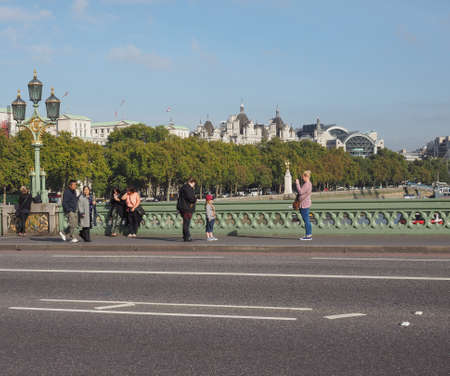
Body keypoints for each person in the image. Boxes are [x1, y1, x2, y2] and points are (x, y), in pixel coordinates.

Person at [177, 177, 197, 242]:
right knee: (186, 223)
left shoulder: (183, 187)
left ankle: (185, 236)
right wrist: (195, 199)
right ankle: (187, 237)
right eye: (194, 184)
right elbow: (190, 198)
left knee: (185, 222)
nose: (194, 185)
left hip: (182, 207)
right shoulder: (188, 188)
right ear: (192, 182)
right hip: (187, 208)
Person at [295, 170, 313, 241]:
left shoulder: (307, 184)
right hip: (306, 204)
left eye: (303, 177)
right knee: (307, 220)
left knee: (306, 221)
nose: (302, 178)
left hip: (304, 205)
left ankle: (308, 236)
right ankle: (309, 234)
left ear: (306, 176)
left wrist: (297, 184)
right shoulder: (310, 184)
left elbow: (300, 191)